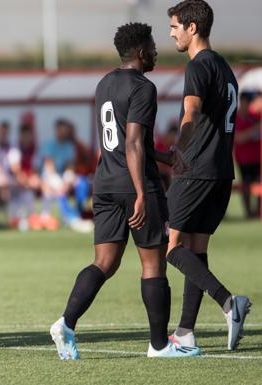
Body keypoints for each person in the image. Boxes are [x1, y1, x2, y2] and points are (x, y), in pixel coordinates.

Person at [50, 22, 200, 360]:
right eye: (152, 46)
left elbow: (123, 142)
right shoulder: (143, 87)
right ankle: (160, 346)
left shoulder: (104, 83)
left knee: (103, 262)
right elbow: (131, 143)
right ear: (141, 51)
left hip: (104, 184)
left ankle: (66, 323)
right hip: (135, 185)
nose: (157, 51)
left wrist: (165, 157)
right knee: (153, 265)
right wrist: (143, 193)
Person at [163, 0, 251, 351]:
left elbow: (192, 112)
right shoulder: (225, 68)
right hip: (220, 172)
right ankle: (185, 333)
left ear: (192, 28)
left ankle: (230, 303)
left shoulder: (198, 65)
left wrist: (178, 150)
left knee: (168, 244)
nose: (171, 33)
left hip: (196, 170)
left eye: (174, 26)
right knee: (195, 250)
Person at [234, 92, 260, 218]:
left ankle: (258, 212)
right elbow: (238, 138)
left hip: (257, 158)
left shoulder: (255, 116)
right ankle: (248, 212)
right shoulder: (235, 117)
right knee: (245, 186)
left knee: (259, 184)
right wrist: (254, 130)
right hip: (243, 160)